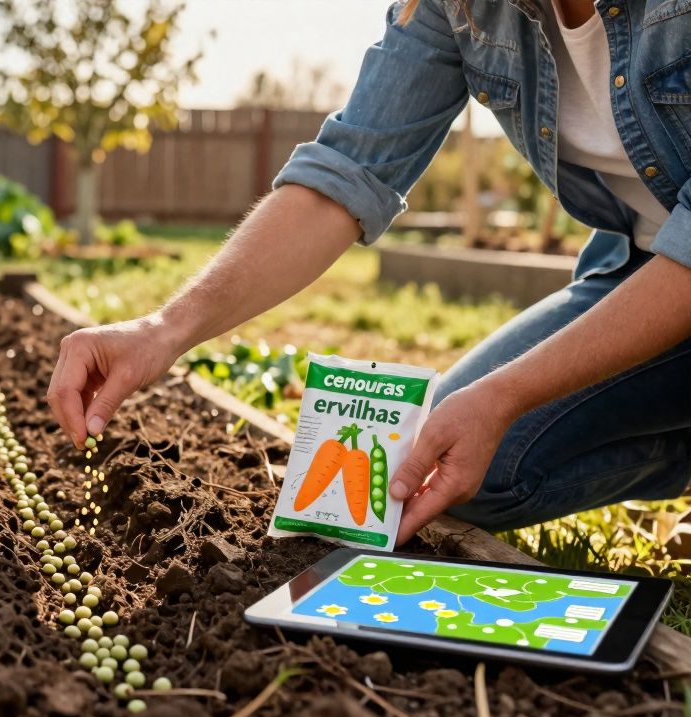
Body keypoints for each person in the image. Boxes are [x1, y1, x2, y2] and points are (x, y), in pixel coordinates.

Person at [45, 0, 691, 544]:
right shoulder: (458, 8)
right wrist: (163, 329)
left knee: (479, 421)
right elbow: (350, 172)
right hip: (642, 270)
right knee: (462, 469)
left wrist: (503, 394)